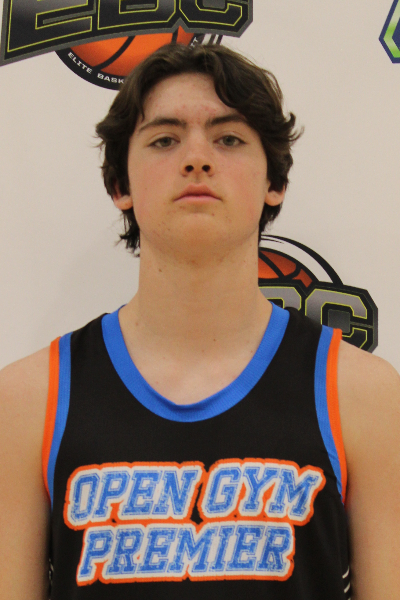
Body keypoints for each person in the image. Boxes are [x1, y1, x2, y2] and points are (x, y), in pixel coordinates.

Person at [0, 42, 399, 600]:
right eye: (164, 139)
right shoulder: (28, 400)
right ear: (120, 186)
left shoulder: (362, 395)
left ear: (274, 182)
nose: (196, 159)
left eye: (228, 138)